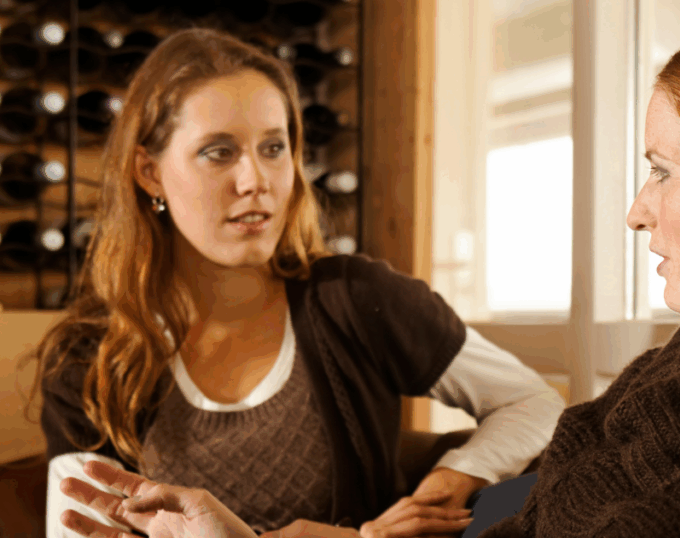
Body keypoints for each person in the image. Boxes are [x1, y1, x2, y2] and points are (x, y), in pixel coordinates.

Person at [59, 13, 680, 538]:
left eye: (658, 170)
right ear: (149, 173)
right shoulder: (663, 380)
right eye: (219, 152)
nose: (638, 208)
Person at [32, 27, 565, 538]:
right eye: (219, 152)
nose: (255, 181)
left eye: (273, 147)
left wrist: (458, 476)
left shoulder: (354, 299)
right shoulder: (87, 359)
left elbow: (533, 403)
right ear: (149, 173)